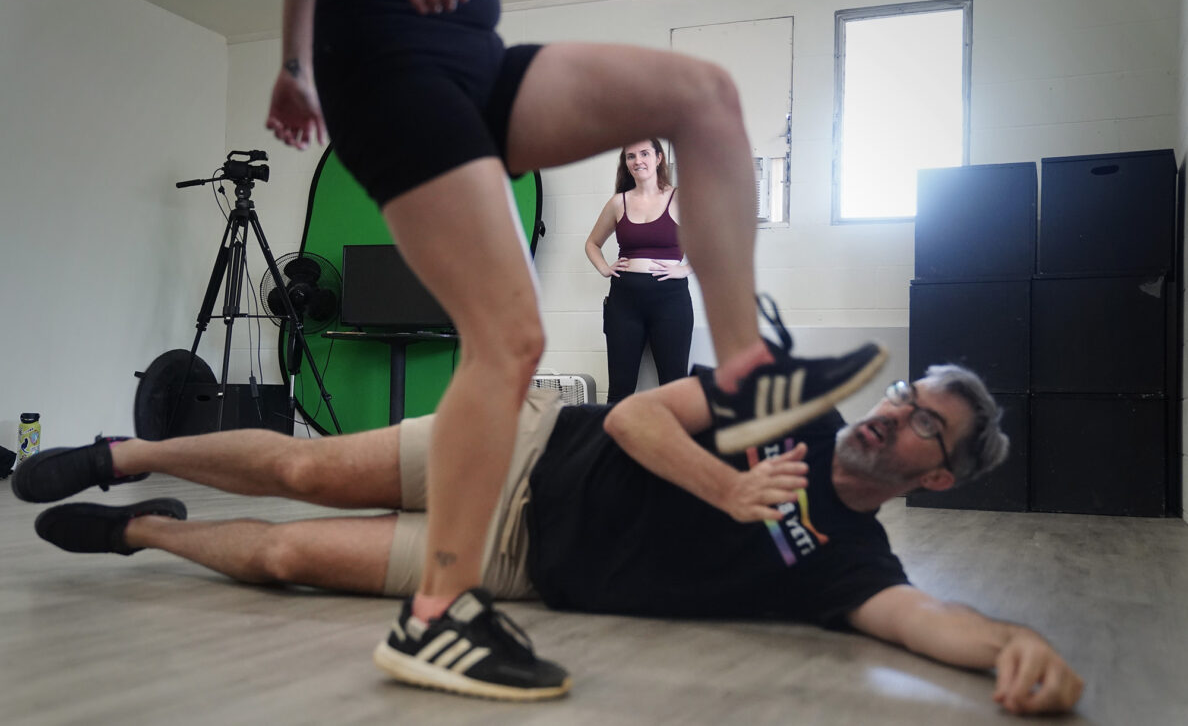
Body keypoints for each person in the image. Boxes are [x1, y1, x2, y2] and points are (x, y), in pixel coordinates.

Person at [263, 0, 886, 698]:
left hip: (476, 60)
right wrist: (300, 60)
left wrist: (292, 62)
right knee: (511, 338)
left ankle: (747, 371)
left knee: (705, 95)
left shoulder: (665, 195)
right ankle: (436, 616)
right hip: (383, 48)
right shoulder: (618, 205)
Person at [14, 358, 1082, 715]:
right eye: (904, 390)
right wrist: (728, 488)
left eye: (923, 423)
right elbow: (631, 416)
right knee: (303, 470)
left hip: (525, 565)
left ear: (934, 475)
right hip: (526, 451)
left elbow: (921, 616)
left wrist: (1010, 644)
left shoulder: (849, 563)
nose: (894, 411)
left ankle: (145, 530)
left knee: (292, 556)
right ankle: (129, 455)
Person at [586, 139, 693, 403]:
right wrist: (604, 268)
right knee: (620, 388)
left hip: (671, 301)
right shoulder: (618, 202)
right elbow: (592, 243)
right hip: (624, 302)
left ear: (658, 158)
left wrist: (686, 269)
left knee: (674, 385)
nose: (638, 161)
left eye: (644, 154)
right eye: (631, 156)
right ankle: (613, 445)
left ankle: (673, 444)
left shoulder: (680, 197)